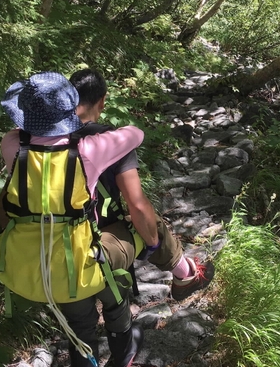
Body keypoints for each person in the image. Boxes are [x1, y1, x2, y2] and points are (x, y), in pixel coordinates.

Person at [0, 72, 145, 367]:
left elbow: (21, 132)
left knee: (80, 329)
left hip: (32, 262)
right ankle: (123, 355)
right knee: (106, 293)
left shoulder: (12, 145)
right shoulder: (88, 150)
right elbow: (135, 134)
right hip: (76, 261)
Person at [68, 68, 214, 304]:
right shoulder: (110, 142)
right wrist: (152, 244)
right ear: (103, 101)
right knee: (148, 220)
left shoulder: (37, 142)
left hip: (35, 247)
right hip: (85, 245)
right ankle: (185, 274)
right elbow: (136, 205)